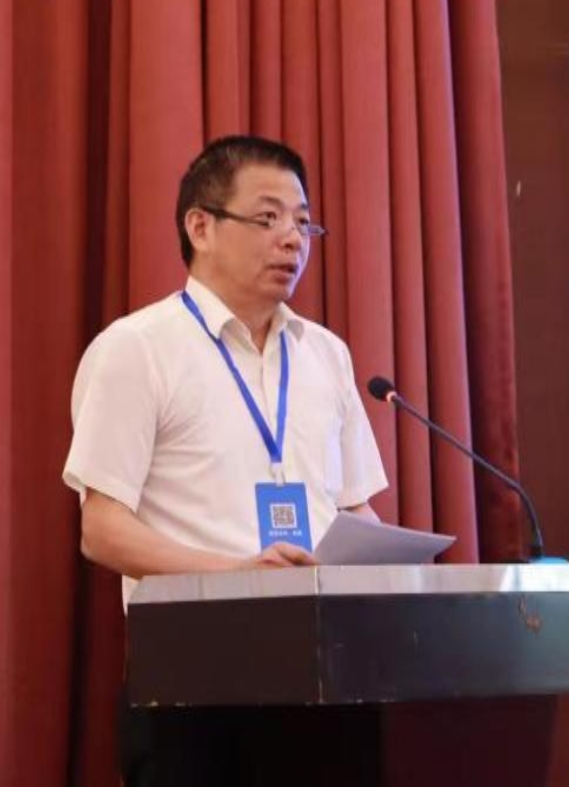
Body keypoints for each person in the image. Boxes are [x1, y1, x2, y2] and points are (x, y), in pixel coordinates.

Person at [62, 134, 389, 785]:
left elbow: (356, 508)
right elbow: (101, 529)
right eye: (268, 218)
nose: (292, 240)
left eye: (303, 223)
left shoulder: (326, 354)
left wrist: (388, 563)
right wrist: (238, 575)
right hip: (193, 683)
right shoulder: (137, 348)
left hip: (326, 678)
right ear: (201, 226)